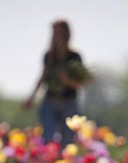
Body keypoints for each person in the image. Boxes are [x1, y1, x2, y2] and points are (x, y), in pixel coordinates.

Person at [22, 19, 90, 147]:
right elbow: (42, 78)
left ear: (67, 34)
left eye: (60, 32)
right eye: (55, 32)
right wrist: (31, 98)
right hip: (50, 101)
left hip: (68, 102)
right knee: (48, 138)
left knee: (67, 141)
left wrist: (66, 80)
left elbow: (81, 83)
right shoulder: (49, 56)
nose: (57, 36)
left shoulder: (74, 56)